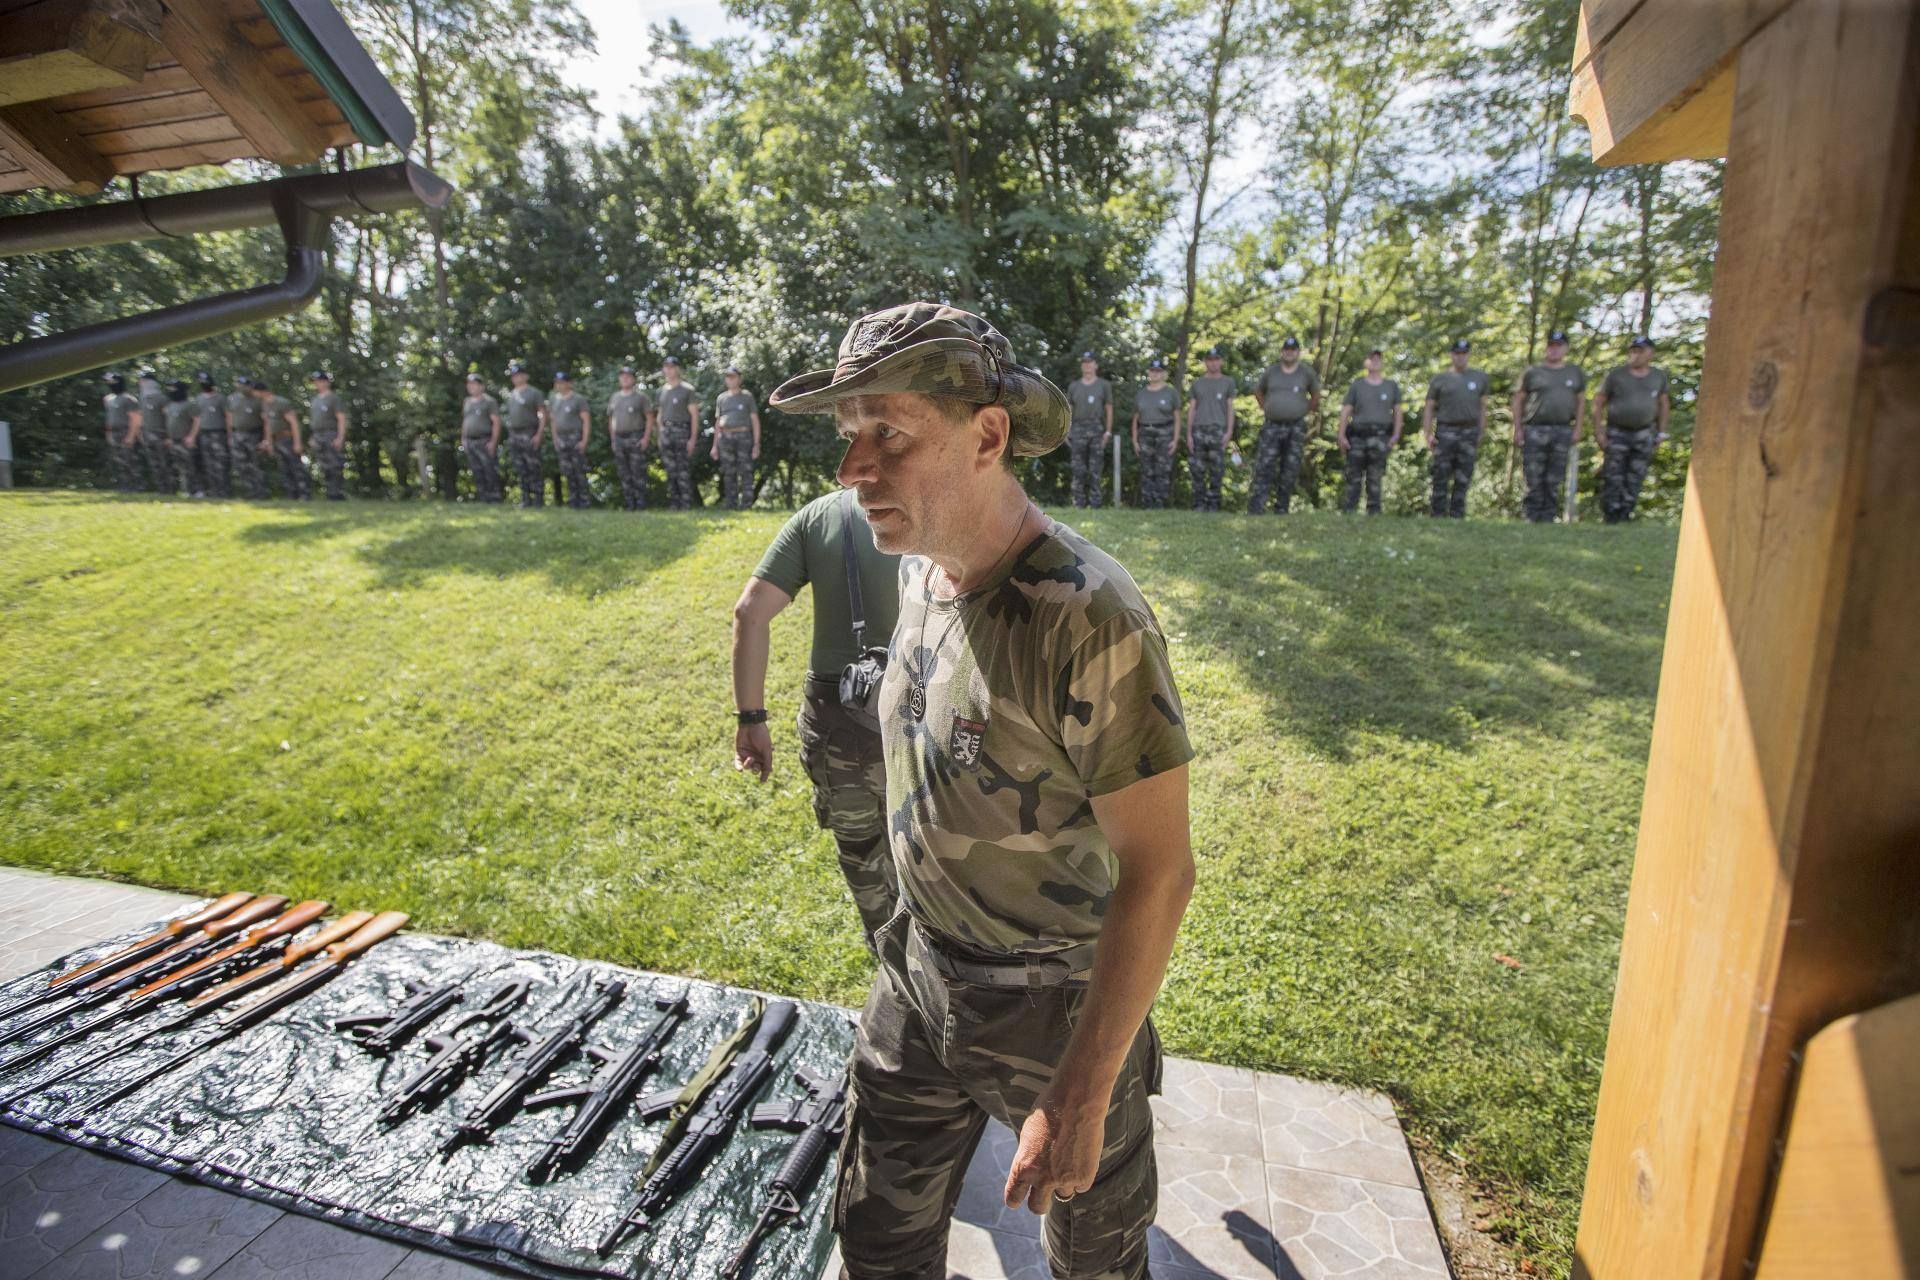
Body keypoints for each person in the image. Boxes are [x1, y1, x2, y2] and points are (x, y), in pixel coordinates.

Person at [770, 302, 1195, 1280]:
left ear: (988, 434)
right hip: (918, 972)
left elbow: (1160, 871)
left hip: (1055, 1004)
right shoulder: (921, 570)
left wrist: (1084, 1094)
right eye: (847, 436)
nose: (850, 471)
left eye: (888, 433)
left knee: (1093, 1254)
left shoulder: (1088, 615)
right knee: (877, 1232)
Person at [730, 487, 902, 945]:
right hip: (921, 713)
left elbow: (750, 613)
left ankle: (889, 961)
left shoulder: (818, 516)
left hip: (836, 723)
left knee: (862, 855)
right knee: (933, 856)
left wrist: (751, 719)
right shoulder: (936, 502)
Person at [1592, 336, 1671, 524]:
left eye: (1640, 351)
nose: (1636, 355)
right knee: (1613, 475)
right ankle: (1610, 515)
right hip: (1617, 432)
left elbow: (1663, 405)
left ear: (1651, 353)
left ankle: (1626, 514)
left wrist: (1661, 432)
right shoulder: (1616, 375)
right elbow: (1598, 402)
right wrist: (1599, 432)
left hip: (1644, 433)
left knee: (1636, 475)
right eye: (1633, 351)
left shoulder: (1658, 377)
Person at [1512, 330, 1587, 523]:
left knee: (1555, 477)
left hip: (1562, 429)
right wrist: (1518, 428)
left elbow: (1580, 402)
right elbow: (1518, 399)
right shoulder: (1532, 372)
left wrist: (1578, 427)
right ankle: (1531, 515)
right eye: (1551, 345)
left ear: (1565, 348)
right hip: (1535, 429)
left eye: (1558, 346)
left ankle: (1548, 516)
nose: (1554, 350)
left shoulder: (1574, 373)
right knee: (1533, 476)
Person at [1250, 336, 1320, 514]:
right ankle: (1256, 508)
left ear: (1298, 352)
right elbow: (1258, 391)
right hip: (1272, 426)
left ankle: (1282, 508)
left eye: (1293, 350)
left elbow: (1316, 396)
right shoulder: (1272, 372)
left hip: (1295, 426)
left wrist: (1303, 410)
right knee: (1264, 466)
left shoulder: (1306, 373)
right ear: (1282, 352)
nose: (1289, 353)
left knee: (1290, 468)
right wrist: (1266, 407)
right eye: (1287, 350)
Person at [1421, 340, 1489, 518]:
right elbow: (1429, 407)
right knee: (1440, 474)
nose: (1460, 357)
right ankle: (1437, 514)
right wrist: (1427, 433)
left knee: (1464, 475)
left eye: (1464, 353)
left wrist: (1481, 431)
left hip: (1469, 431)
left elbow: (1483, 407)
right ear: (1451, 355)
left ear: (1468, 355)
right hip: (1445, 432)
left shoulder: (1479, 377)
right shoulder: (1440, 379)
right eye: (1457, 353)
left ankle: (1457, 515)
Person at [1338, 349, 1402, 515]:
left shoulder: (1391, 386)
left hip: (1381, 436)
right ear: (1366, 362)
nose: (1375, 361)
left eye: (1378, 359)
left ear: (1382, 362)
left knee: (1375, 476)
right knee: (1353, 476)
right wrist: (1341, 435)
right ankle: (1350, 511)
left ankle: (1374, 511)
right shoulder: (1357, 386)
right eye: (1371, 358)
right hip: (1358, 436)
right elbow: (1346, 411)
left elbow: (1397, 412)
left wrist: (1396, 435)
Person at [1185, 348, 1236, 512]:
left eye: (1216, 359)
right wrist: (1189, 433)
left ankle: (1214, 504)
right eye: (1209, 360)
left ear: (1221, 362)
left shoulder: (1228, 382)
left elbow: (1230, 408)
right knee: (1197, 470)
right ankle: (1199, 504)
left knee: (1217, 470)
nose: (1213, 363)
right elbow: (1192, 408)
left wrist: (1229, 431)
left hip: (1218, 429)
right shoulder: (1197, 383)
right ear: (1205, 362)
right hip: (1199, 430)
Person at [1130, 357, 1179, 508]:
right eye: (1152, 370)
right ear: (1148, 372)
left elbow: (1177, 417)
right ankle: (1147, 503)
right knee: (1147, 469)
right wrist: (1135, 440)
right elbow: (1135, 419)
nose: (1155, 374)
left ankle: (1160, 503)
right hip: (1145, 432)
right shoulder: (1141, 394)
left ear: (1163, 373)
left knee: (1162, 469)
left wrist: (1175, 439)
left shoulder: (1171, 393)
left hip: (1165, 432)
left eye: (1158, 371)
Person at [1066, 351, 1112, 509]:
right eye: (1084, 362)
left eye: (1090, 361)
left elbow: (1109, 409)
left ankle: (1095, 504)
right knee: (1078, 468)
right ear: (1082, 365)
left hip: (1097, 428)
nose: (1087, 365)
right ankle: (1078, 503)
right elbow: (1068, 409)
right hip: (1078, 428)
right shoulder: (1074, 386)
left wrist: (1108, 431)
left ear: (1096, 365)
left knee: (1095, 468)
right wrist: (1066, 429)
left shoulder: (1103, 385)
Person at [711, 366, 761, 509]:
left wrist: (756, 444)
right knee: (728, 472)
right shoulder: (721, 398)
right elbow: (717, 422)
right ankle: (731, 504)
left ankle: (746, 504)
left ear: (739, 378)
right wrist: (714, 446)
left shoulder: (747, 397)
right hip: (725, 437)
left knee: (745, 471)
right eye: (728, 377)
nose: (730, 379)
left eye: (733, 376)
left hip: (743, 436)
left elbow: (755, 420)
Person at [607, 364, 655, 510]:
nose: (625, 379)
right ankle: (629, 504)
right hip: (619, 438)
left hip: (636, 437)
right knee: (624, 473)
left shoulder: (641, 398)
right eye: (622, 376)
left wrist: (646, 438)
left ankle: (641, 504)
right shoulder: (614, 397)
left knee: (637, 472)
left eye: (628, 376)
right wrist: (613, 439)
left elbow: (650, 418)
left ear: (633, 379)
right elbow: (611, 420)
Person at [655, 356, 700, 509]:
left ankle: (686, 503)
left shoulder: (687, 389)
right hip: (666, 433)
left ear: (677, 369)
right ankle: (674, 503)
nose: (668, 370)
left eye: (672, 367)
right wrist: (660, 432)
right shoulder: (662, 391)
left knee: (682, 470)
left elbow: (694, 415)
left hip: (682, 432)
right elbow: (660, 414)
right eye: (666, 367)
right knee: (670, 470)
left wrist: (692, 439)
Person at [502, 360, 548, 507]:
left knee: (534, 466)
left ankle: (539, 499)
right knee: (520, 467)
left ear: (525, 376)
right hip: (515, 434)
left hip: (530, 432)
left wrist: (539, 434)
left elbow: (542, 413)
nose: (516, 378)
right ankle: (525, 498)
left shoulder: (534, 393)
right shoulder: (512, 395)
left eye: (519, 375)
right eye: (514, 376)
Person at [253, 379, 307, 498]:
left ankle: (304, 494)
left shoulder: (281, 403)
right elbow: (268, 425)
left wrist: (297, 443)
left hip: (288, 439)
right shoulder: (264, 405)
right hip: (277, 440)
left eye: (255, 392)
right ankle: (291, 495)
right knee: (285, 469)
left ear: (262, 391)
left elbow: (294, 423)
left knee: (296, 468)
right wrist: (269, 443)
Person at [549, 370, 592, 509]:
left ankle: (584, 501)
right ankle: (573, 501)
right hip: (561, 438)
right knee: (567, 471)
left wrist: (584, 440)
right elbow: (553, 421)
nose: (559, 385)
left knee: (579, 470)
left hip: (575, 437)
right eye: (557, 382)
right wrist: (555, 439)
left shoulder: (578, 399)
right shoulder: (554, 399)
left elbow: (586, 421)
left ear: (569, 383)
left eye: (562, 382)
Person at [459, 372, 503, 503]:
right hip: (470, 440)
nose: (471, 387)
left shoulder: (489, 402)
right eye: (469, 384)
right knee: (476, 470)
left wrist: (493, 442)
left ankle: (494, 497)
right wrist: (463, 439)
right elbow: (465, 421)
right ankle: (483, 498)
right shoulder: (467, 402)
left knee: (489, 469)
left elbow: (496, 422)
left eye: (474, 384)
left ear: (481, 386)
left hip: (484, 440)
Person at [307, 370, 349, 500]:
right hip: (318, 435)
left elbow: (341, 418)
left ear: (326, 382)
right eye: (315, 382)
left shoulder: (333, 398)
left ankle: (336, 493)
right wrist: (313, 436)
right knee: (323, 465)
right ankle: (329, 492)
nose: (317, 384)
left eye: (319, 381)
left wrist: (340, 437)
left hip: (331, 434)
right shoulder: (315, 400)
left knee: (335, 464)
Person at [189, 371, 231, 499]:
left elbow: (228, 417)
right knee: (207, 463)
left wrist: (230, 435)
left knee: (221, 463)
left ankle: (223, 491)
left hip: (218, 434)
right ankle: (211, 491)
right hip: (204, 434)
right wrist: (193, 436)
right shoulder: (198, 399)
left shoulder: (221, 398)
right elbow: (197, 419)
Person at [228, 375, 270, 499]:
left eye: (244, 386)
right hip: (237, 434)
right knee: (240, 465)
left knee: (255, 464)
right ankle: (247, 492)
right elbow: (229, 418)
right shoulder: (232, 398)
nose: (241, 388)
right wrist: (230, 436)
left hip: (253, 435)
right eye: (239, 385)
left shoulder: (258, 400)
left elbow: (266, 421)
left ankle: (260, 493)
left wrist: (266, 439)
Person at [102, 372, 141, 492]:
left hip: (125, 432)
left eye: (113, 382)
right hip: (114, 433)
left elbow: (135, 419)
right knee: (118, 461)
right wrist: (108, 434)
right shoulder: (108, 399)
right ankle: (124, 486)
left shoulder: (129, 399)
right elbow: (109, 418)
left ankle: (136, 486)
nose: (110, 384)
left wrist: (131, 436)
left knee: (130, 461)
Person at [136, 368, 174, 493]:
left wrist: (169, 436)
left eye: (143, 381)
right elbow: (141, 417)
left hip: (161, 434)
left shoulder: (162, 398)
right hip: (147, 434)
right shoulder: (142, 399)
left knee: (165, 462)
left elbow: (168, 418)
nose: (141, 383)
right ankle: (161, 488)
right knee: (154, 463)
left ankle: (169, 488)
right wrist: (140, 432)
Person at [161, 381, 196, 494]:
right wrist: (168, 437)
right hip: (173, 441)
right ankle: (177, 490)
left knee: (189, 467)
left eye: (174, 389)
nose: (172, 391)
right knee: (175, 467)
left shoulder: (189, 404)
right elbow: (168, 422)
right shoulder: (170, 405)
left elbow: (197, 420)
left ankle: (193, 491)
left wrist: (192, 436)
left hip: (185, 441)